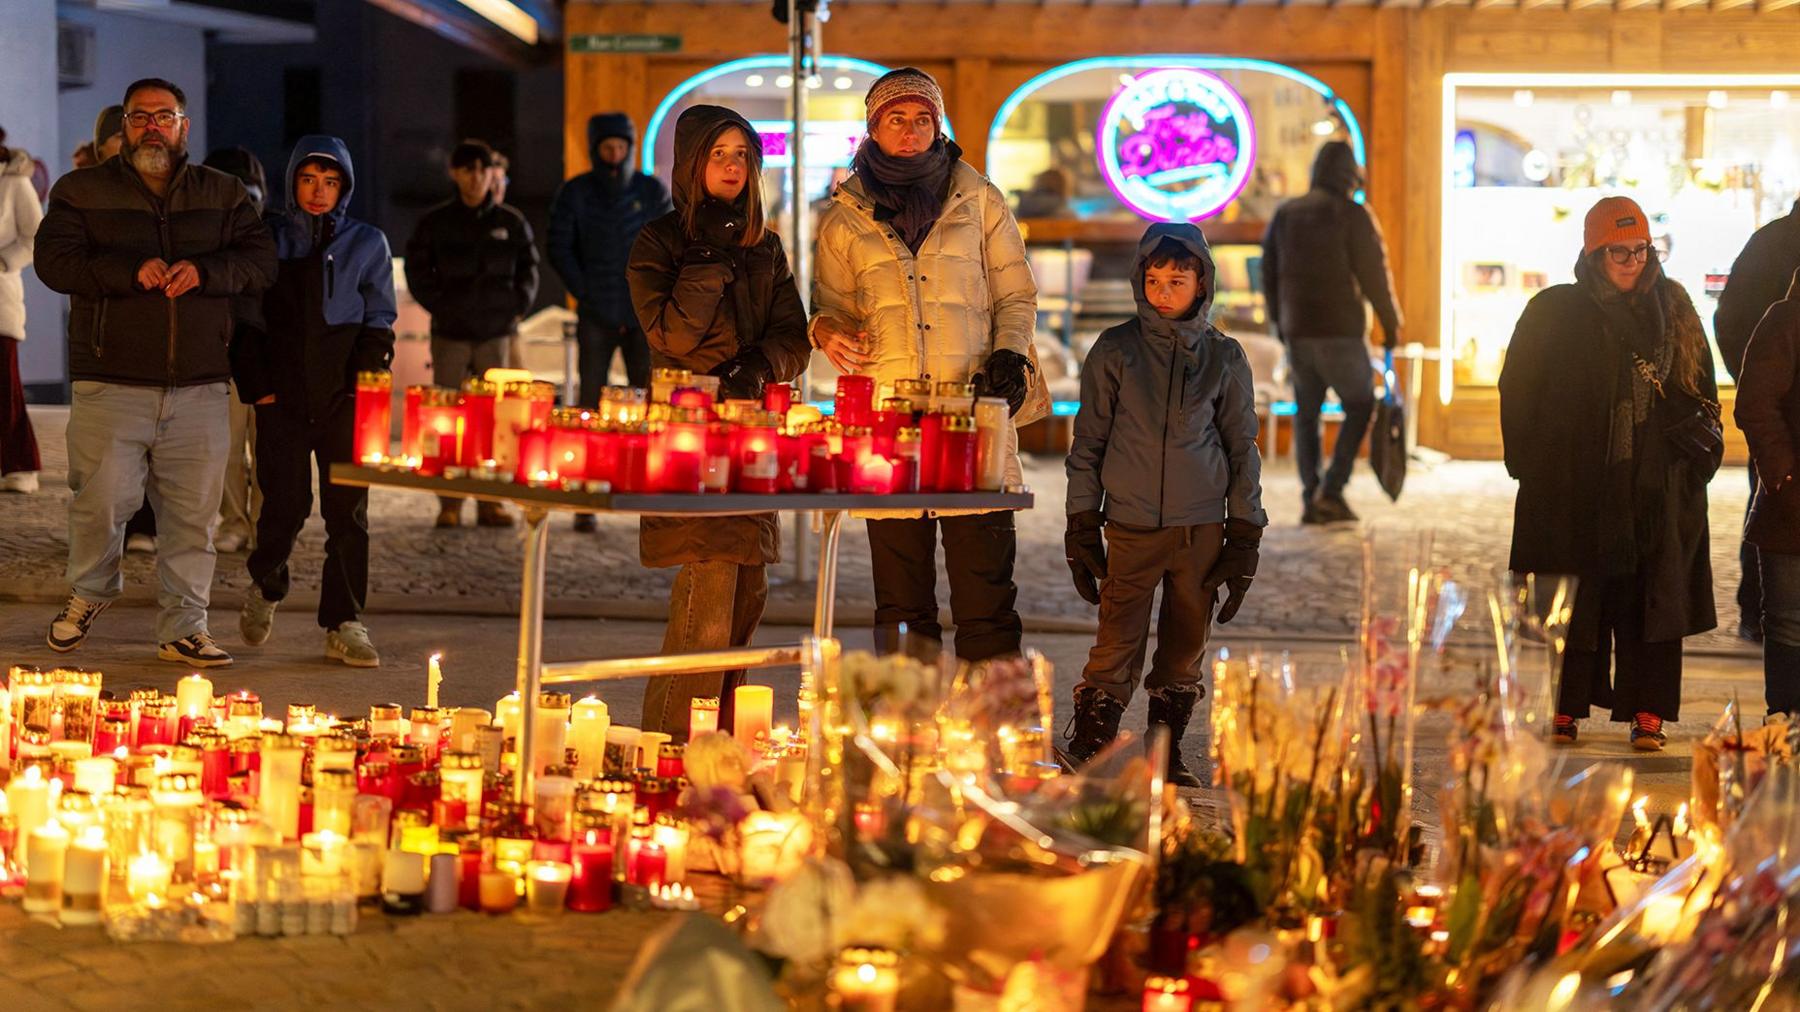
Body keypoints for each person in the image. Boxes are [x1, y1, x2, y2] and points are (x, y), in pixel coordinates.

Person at [34, 77, 277, 667]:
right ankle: (90, 592)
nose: (151, 127)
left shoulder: (220, 193)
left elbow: (261, 259)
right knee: (100, 501)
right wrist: (126, 269)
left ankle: (184, 626)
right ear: (123, 125)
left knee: (193, 518)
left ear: (183, 127)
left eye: (163, 116)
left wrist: (205, 273)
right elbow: (53, 260)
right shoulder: (81, 190)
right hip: (111, 379)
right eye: (139, 116)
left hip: (198, 383)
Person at [813, 68, 1039, 663]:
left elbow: (1016, 294)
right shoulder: (842, 219)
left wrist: (1011, 352)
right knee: (902, 607)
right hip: (889, 429)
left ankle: (992, 737)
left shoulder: (980, 200)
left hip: (975, 420)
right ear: (873, 128)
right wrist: (824, 329)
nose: (911, 132)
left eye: (923, 119)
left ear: (938, 127)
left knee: (987, 598)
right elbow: (829, 306)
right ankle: (905, 737)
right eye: (897, 119)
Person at [1499, 196, 1720, 751]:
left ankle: (1649, 712)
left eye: (1640, 249)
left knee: (1654, 598)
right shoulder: (1554, 310)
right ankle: (1565, 709)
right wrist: (1527, 463)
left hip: (1657, 484)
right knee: (1574, 596)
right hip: (1574, 482)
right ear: (1593, 253)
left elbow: (1702, 391)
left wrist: (1693, 469)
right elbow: (1518, 388)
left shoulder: (1676, 310)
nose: (1631, 261)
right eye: (1617, 251)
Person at [626, 105, 810, 740]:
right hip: (689, 430)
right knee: (708, 591)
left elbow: (795, 336)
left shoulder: (766, 244)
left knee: (745, 597)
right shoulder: (660, 242)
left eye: (742, 155)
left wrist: (760, 364)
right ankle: (671, 751)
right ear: (692, 162)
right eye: (718, 154)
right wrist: (706, 254)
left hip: (752, 431)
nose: (732, 166)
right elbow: (671, 334)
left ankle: (718, 748)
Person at [1062, 223, 1266, 785]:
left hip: (1200, 529)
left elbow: (1241, 445)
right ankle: (1093, 738)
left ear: (1202, 283)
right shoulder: (1116, 350)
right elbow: (1090, 442)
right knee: (1116, 640)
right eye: (1153, 279)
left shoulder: (1225, 357)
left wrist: (1244, 532)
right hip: (1129, 525)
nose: (1163, 291)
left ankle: (1165, 748)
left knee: (1184, 644)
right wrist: (1081, 520)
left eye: (1178, 279)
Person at [232, 135, 395, 668]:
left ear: (344, 187)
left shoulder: (367, 243)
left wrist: (364, 383)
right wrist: (258, 385)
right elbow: (247, 320)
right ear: (292, 182)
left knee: (349, 514)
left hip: (344, 398)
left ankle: (344, 621)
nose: (319, 191)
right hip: (280, 397)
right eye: (308, 180)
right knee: (284, 503)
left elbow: (378, 320)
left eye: (330, 182)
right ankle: (266, 584)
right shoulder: (266, 238)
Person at [1261, 140, 1402, 525]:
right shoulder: (1353, 214)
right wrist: (1391, 323)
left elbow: (1269, 271)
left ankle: (1312, 496)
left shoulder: (1287, 213)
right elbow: (1375, 274)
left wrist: (1279, 321)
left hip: (1298, 330)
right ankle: (1332, 489)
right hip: (1339, 329)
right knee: (1359, 404)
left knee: (1307, 413)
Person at [405, 138, 539, 529]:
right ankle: (449, 503)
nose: (476, 178)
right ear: (454, 173)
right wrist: (440, 305)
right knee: (445, 419)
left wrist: (515, 308)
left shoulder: (510, 222)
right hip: (450, 331)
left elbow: (529, 270)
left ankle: (489, 502)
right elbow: (417, 270)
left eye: (482, 170)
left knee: (494, 422)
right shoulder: (435, 222)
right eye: (468, 170)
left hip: (495, 333)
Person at [550, 114, 670, 505]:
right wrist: (584, 292)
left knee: (647, 400)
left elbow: (667, 247)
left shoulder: (651, 191)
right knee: (589, 400)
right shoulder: (576, 193)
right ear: (596, 150)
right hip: (595, 313)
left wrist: (651, 296)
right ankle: (587, 485)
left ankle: (643, 479)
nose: (615, 155)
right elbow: (560, 246)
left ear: (631, 148)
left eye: (621, 147)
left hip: (643, 314)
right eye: (607, 148)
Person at [1715, 201, 1800, 644]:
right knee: (1773, 516)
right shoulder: (1770, 245)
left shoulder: (1766, 243)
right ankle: (1760, 612)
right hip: (1780, 427)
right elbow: (1730, 322)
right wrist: (1758, 382)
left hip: (1776, 422)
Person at [1736, 270, 1800, 717]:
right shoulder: (1787, 319)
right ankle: (1787, 728)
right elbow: (1754, 402)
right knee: (1788, 623)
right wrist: (1783, 475)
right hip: (1792, 504)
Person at [203, 146, 269, 554]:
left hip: (266, 357)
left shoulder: (273, 236)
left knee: (267, 450)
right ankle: (233, 522)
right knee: (224, 451)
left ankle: (265, 524)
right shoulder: (202, 238)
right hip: (219, 356)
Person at [0, 126, 44, 494]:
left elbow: (36, 236)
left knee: (5, 386)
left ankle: (21, 463)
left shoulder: (14, 184)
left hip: (0, 302)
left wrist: (2, 261)